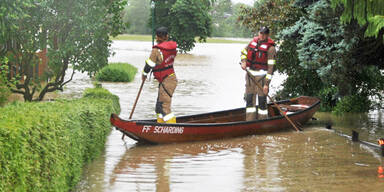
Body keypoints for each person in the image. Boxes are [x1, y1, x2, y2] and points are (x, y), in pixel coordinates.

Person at [240, 26, 276, 121]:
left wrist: (267, 84)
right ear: (258, 33)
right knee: (249, 100)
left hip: (262, 78)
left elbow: (271, 68)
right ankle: (250, 121)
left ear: (268, 35)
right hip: (250, 76)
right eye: (261, 33)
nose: (262, 35)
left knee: (262, 101)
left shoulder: (271, 48)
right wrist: (243, 61)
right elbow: (243, 51)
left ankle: (262, 122)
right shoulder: (252, 43)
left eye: (264, 34)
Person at [142, 27, 178, 123]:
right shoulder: (172, 48)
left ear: (157, 37)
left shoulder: (157, 50)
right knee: (158, 107)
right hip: (169, 79)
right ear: (167, 36)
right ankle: (160, 126)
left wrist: (144, 74)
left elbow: (149, 64)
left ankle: (171, 130)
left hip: (167, 81)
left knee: (164, 107)